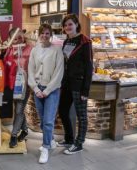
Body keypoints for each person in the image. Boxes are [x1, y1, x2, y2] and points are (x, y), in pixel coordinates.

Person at [28, 23, 64, 163]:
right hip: (38, 89)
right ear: (39, 35)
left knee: (48, 121)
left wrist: (48, 90)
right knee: (43, 121)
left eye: (47, 33)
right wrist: (36, 89)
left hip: (52, 90)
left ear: (51, 35)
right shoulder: (34, 50)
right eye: (42, 33)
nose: (44, 36)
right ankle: (51, 140)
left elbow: (59, 73)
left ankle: (45, 147)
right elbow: (30, 70)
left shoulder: (57, 50)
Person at [57, 14, 93, 155]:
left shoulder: (85, 42)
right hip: (66, 83)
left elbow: (89, 67)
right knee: (63, 111)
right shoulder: (67, 42)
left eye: (70, 24)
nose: (67, 27)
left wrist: (86, 90)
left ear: (77, 24)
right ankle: (69, 139)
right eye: (65, 25)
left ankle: (79, 143)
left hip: (79, 84)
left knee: (81, 115)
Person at [4, 28, 33, 148]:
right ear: (11, 40)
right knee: (18, 108)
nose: (19, 40)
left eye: (20, 37)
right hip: (12, 84)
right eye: (15, 38)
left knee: (19, 110)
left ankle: (14, 135)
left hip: (25, 84)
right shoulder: (9, 50)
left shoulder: (30, 48)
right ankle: (25, 130)